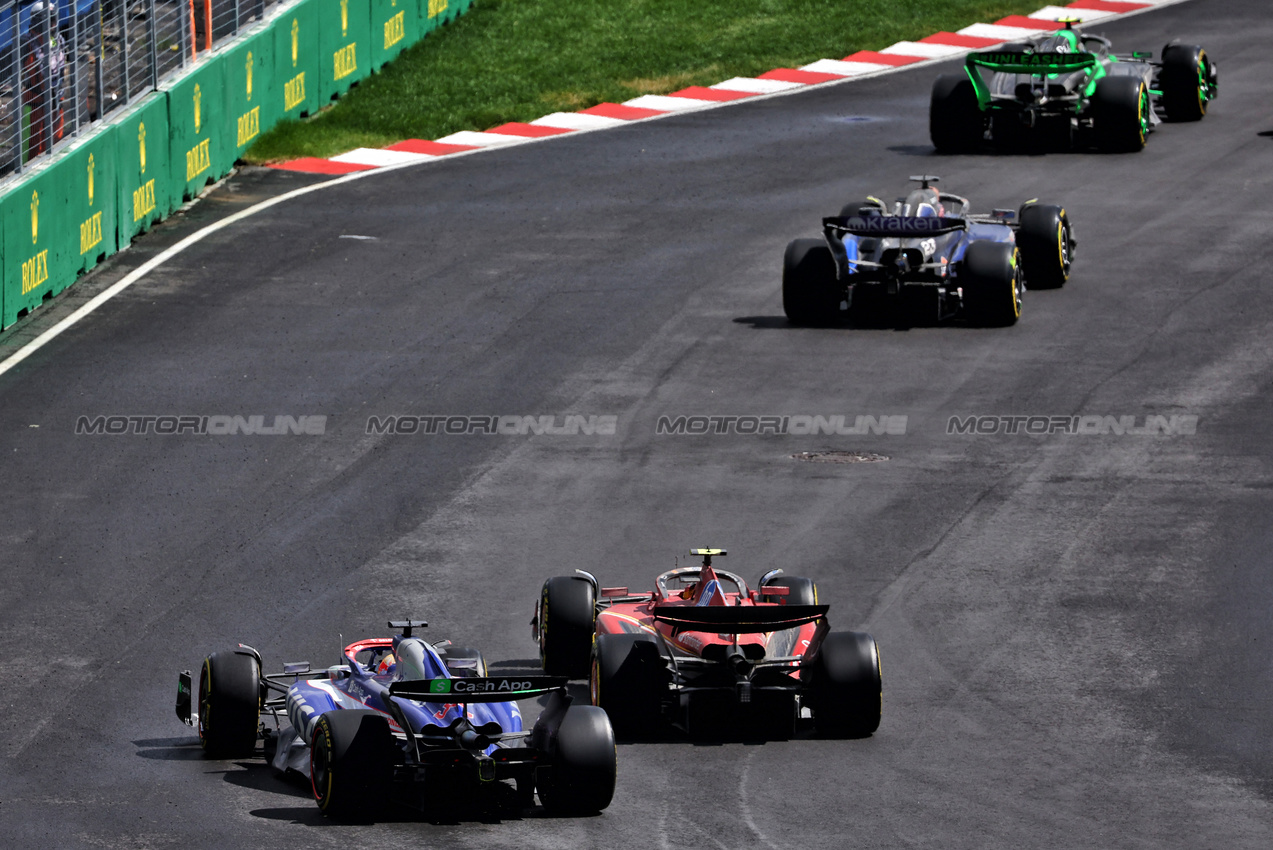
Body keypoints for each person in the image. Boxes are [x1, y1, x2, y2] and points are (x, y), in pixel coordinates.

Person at [21, 1, 67, 158]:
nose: (54, 24)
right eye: (50, 20)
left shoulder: (58, 39)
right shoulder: (26, 43)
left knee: (56, 143)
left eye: (54, 19)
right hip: (35, 103)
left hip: (55, 99)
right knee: (32, 151)